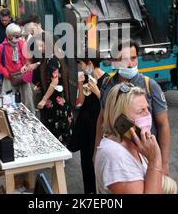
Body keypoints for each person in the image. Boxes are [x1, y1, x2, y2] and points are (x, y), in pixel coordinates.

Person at [94, 40, 171, 176]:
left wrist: (163, 163)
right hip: (117, 158)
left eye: (133, 58)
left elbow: (163, 125)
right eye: (123, 59)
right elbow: (102, 118)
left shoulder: (150, 86)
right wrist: (96, 149)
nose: (130, 64)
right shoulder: (106, 85)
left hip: (145, 158)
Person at [94, 83, 164, 194]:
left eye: (147, 109)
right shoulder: (114, 155)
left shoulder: (136, 142)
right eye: (141, 111)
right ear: (121, 120)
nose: (148, 115)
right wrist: (155, 160)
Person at [28, 32, 73, 144]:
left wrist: (44, 99)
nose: (39, 48)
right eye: (38, 46)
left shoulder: (52, 60)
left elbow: (55, 80)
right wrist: (40, 85)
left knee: (56, 131)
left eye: (41, 46)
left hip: (55, 101)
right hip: (53, 98)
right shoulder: (47, 58)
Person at [72, 54, 107, 194]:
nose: (80, 67)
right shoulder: (86, 78)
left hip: (98, 128)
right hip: (85, 127)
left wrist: (97, 92)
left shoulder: (107, 80)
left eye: (81, 64)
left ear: (89, 63)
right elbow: (79, 102)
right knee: (85, 161)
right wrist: (80, 84)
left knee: (97, 161)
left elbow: (110, 105)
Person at [0, 24, 34, 111]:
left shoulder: (22, 43)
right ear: (8, 35)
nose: (18, 37)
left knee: (27, 98)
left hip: (23, 75)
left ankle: (29, 115)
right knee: (8, 102)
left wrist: (26, 65)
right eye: (15, 36)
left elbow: (28, 58)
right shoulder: (1, 47)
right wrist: (5, 73)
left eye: (19, 35)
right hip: (9, 77)